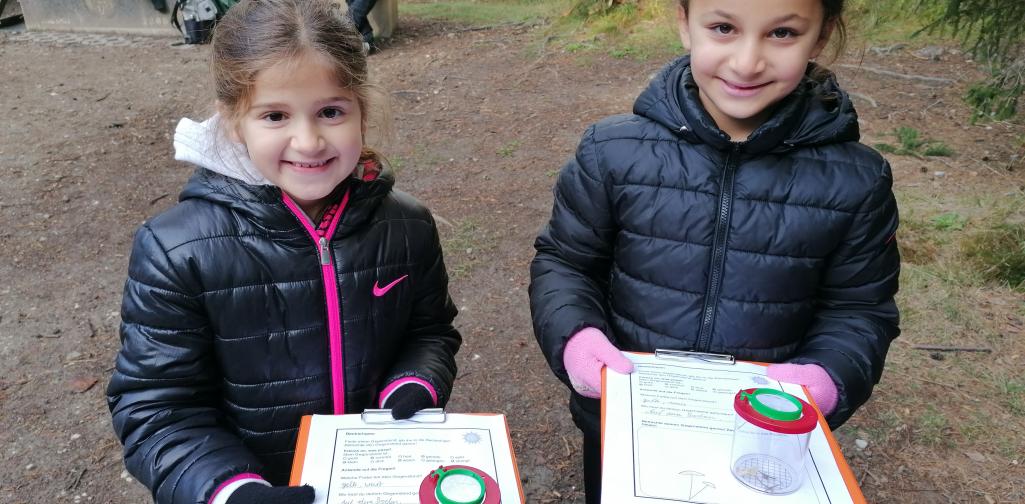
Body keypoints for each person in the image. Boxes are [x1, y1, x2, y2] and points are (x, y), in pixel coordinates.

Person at [528, 0, 900, 502]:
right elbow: (566, 262)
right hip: (625, 422)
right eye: (723, 27)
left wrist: (826, 377)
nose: (747, 62)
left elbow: (859, 308)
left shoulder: (857, 180)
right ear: (684, 24)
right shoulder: (611, 151)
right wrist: (577, 338)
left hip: (766, 437)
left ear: (821, 34)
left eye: (783, 33)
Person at [106, 1, 461, 503]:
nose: (309, 140)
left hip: (378, 478)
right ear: (233, 121)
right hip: (256, 486)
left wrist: (416, 381)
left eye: (331, 112)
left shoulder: (408, 225)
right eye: (275, 115)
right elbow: (157, 406)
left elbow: (430, 331)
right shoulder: (175, 250)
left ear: (362, 109)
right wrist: (229, 490)